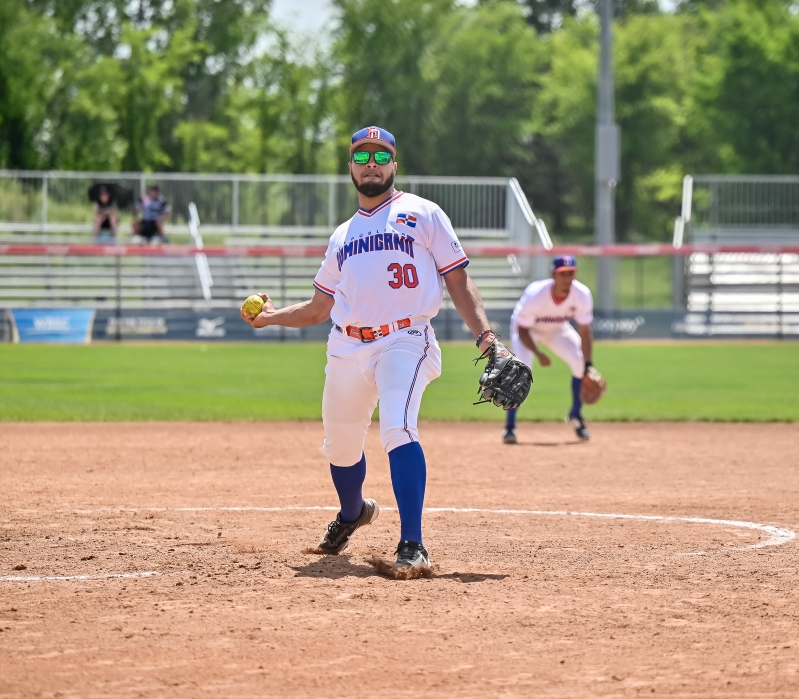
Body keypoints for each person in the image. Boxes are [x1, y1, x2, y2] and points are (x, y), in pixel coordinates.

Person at [242, 126, 503, 574]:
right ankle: (353, 513)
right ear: (350, 167)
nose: (371, 165)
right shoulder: (342, 236)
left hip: (405, 338)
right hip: (347, 345)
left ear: (394, 165)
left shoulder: (423, 213)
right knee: (340, 448)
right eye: (362, 157)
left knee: (398, 427)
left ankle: (413, 544)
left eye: (381, 157)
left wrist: (487, 337)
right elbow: (318, 308)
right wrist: (270, 317)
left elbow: (458, 281)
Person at [504, 255, 595, 444]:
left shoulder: (582, 294)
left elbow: (585, 332)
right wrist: (538, 353)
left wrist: (589, 365)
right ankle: (510, 427)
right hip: (528, 330)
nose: (567, 278)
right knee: (521, 372)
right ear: (553, 274)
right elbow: (522, 330)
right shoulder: (535, 294)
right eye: (563, 274)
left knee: (579, 363)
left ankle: (576, 415)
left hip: (557, 329)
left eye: (571, 273)